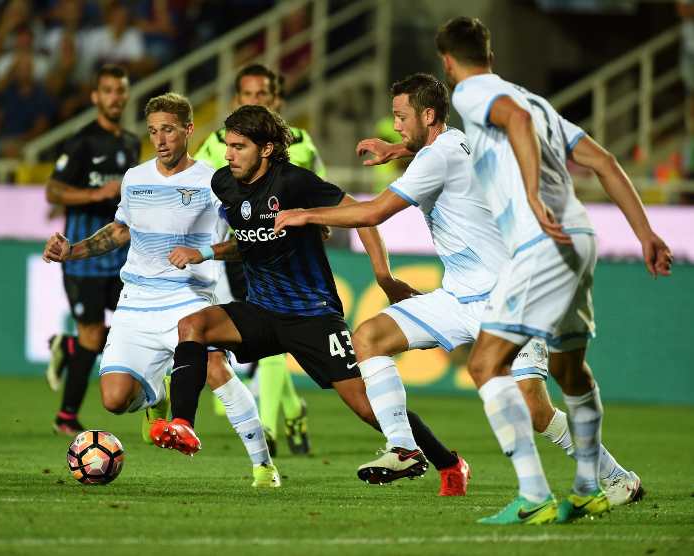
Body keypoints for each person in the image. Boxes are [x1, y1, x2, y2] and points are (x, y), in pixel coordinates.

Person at [274, 73, 643, 509]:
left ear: (428, 115)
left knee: (535, 411)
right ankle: (404, 448)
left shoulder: (438, 157)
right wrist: (400, 148)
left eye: (401, 117)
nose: (394, 125)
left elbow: (372, 214)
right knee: (370, 338)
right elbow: (433, 152)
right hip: (459, 296)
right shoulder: (452, 142)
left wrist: (304, 216)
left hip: (507, 297)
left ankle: (615, 476)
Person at [151, 104, 472, 496]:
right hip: (262, 311)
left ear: (266, 149)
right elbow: (250, 243)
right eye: (228, 146)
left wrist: (384, 276)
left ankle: (450, 464)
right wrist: (208, 252)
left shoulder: (294, 183)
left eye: (239, 147)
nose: (228, 154)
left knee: (370, 408)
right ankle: (183, 424)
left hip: (312, 318)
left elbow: (363, 215)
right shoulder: (225, 184)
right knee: (193, 326)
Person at [438, 17, 671, 524]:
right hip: (580, 239)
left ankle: (534, 495)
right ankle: (590, 487)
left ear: (449, 63)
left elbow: (513, 126)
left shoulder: (471, 93)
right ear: (492, 55)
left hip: (541, 241)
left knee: (484, 365)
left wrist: (531, 196)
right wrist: (645, 234)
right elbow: (605, 161)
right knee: (569, 370)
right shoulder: (537, 103)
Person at [43, 92, 280, 488]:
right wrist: (72, 251)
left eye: (168, 129)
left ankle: (263, 466)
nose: (160, 139)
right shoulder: (135, 178)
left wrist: (203, 253)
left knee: (217, 370)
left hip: (188, 299)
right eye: (153, 131)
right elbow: (120, 231)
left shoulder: (215, 181)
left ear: (188, 130)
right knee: (115, 400)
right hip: (136, 302)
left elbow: (248, 239)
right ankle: (157, 398)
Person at [194, 63, 325, 457]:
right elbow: (199, 192)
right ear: (237, 100)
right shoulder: (217, 143)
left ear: (276, 99)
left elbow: (316, 192)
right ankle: (291, 408)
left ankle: (266, 426)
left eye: (263, 94)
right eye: (248, 95)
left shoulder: (301, 143)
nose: (256, 100)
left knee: (276, 338)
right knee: (271, 340)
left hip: (287, 255)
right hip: (240, 252)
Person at [43, 64, 139, 435]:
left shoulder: (131, 143)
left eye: (121, 90)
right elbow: (53, 190)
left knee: (133, 330)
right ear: (96, 97)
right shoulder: (81, 141)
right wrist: (96, 194)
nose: (115, 97)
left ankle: (69, 350)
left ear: (126, 95)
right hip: (83, 260)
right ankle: (66, 417)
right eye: (108, 90)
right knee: (93, 335)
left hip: (119, 259)